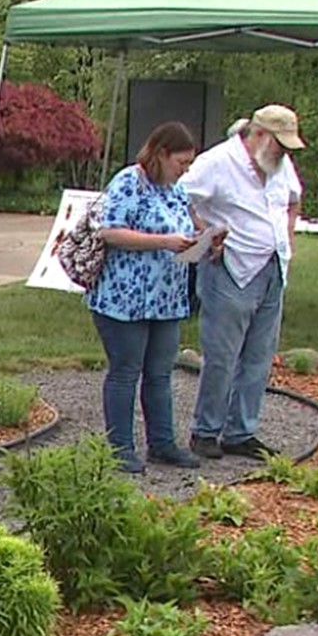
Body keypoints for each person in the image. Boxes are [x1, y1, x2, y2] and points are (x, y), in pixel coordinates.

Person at [84, 121, 211, 474]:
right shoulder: (128, 181)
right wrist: (164, 242)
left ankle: (162, 443)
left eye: (188, 165)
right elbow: (109, 231)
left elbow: (191, 225)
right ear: (160, 153)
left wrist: (208, 240)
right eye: (180, 163)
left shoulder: (176, 190)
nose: (184, 170)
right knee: (126, 370)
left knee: (160, 373)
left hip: (166, 300)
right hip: (124, 299)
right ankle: (120, 447)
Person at [181, 104, 305, 462]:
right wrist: (204, 235)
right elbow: (180, 196)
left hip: (273, 266)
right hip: (230, 266)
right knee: (222, 354)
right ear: (259, 135)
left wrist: (288, 237)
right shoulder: (218, 162)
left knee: (259, 355)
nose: (284, 153)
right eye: (280, 144)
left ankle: (241, 431)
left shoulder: (280, 165)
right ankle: (205, 430)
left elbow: (294, 200)